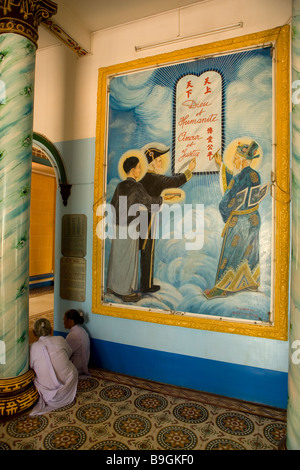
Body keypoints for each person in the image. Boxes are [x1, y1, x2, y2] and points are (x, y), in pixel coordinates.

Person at [204, 140, 262, 299]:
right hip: (254, 219)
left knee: (230, 253)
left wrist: (226, 215)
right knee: (251, 249)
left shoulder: (237, 178)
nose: (234, 161)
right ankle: (250, 282)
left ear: (243, 160)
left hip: (239, 221)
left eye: (236, 158)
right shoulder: (255, 175)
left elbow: (224, 203)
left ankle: (223, 287)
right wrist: (222, 166)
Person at [139, 146, 196, 292]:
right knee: (147, 251)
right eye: (158, 161)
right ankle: (146, 285)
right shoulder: (155, 178)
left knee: (139, 250)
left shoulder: (142, 178)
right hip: (148, 219)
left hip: (136, 218)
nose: (160, 164)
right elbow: (175, 181)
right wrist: (190, 170)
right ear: (151, 163)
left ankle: (139, 283)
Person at [106, 155, 163, 301]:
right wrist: (162, 199)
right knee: (128, 259)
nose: (140, 170)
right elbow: (148, 201)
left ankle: (112, 286)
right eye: (138, 167)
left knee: (116, 258)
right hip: (130, 226)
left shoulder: (120, 186)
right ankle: (126, 292)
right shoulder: (136, 186)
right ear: (132, 170)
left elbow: (112, 205)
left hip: (118, 226)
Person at [29, 318, 78, 415]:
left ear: (34, 333)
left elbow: (31, 366)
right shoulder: (59, 339)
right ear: (51, 330)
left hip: (48, 393)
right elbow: (69, 353)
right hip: (68, 387)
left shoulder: (32, 348)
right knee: (70, 365)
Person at [64, 309, 90, 377]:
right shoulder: (81, 330)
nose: (63, 322)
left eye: (64, 320)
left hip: (77, 366)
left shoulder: (73, 335)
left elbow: (65, 353)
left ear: (71, 321)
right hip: (83, 363)